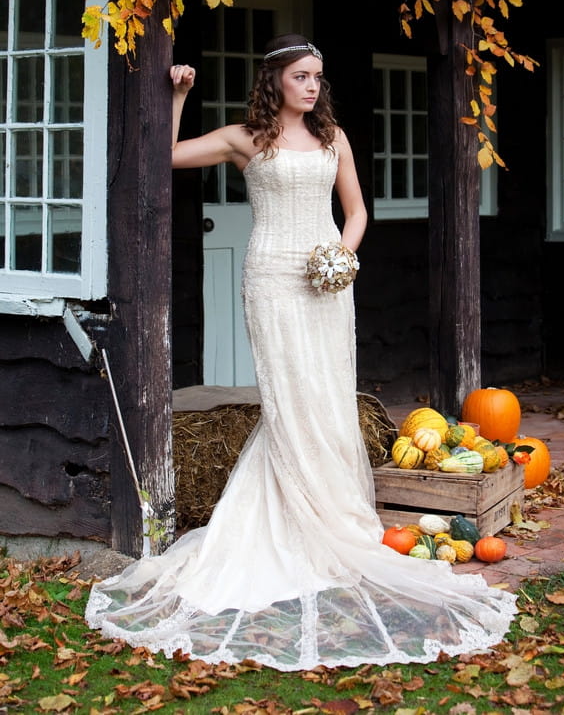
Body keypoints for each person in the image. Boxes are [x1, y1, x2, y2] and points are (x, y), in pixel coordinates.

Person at [86, 34, 517, 671]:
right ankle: (289, 521)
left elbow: (357, 211)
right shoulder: (245, 138)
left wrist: (344, 257)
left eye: (318, 76)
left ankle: (334, 516)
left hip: (326, 280)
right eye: (301, 77)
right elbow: (166, 156)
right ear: (276, 81)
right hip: (271, 279)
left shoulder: (333, 136)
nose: (312, 86)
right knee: (289, 398)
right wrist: (177, 96)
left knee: (327, 392)